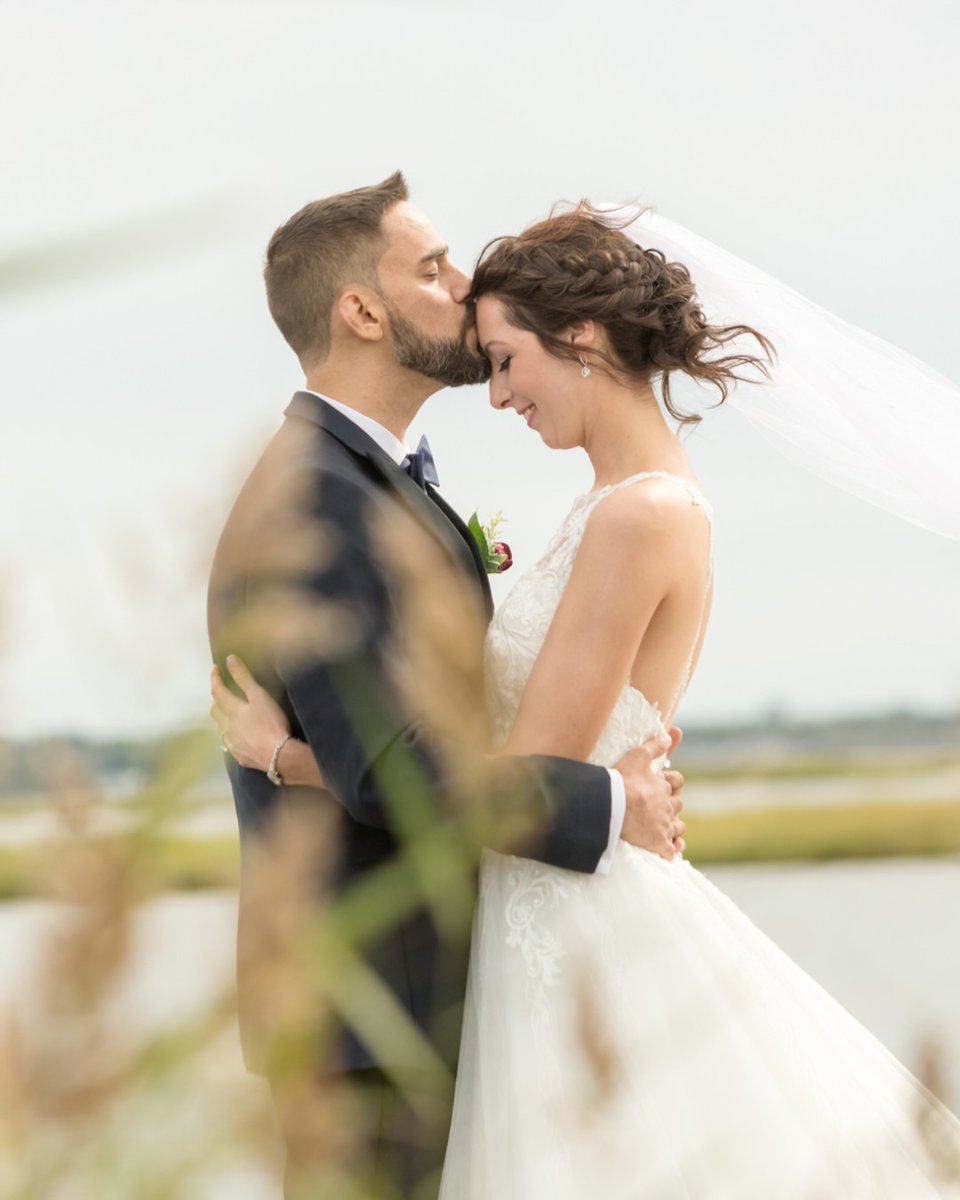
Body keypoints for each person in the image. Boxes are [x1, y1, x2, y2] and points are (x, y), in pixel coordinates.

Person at [214, 200, 960, 1198]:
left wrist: (286, 755)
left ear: (585, 339)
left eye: (508, 359)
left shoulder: (638, 515)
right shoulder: (616, 505)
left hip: (563, 916)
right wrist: (613, 793)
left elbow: (522, 774)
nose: (498, 391)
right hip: (528, 917)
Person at [206, 173, 684, 1199]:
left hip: (426, 1008)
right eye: (432, 268)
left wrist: (289, 757)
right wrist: (611, 804)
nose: (464, 288)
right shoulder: (321, 498)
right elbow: (392, 774)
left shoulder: (374, 479)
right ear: (361, 311)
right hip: (367, 1031)